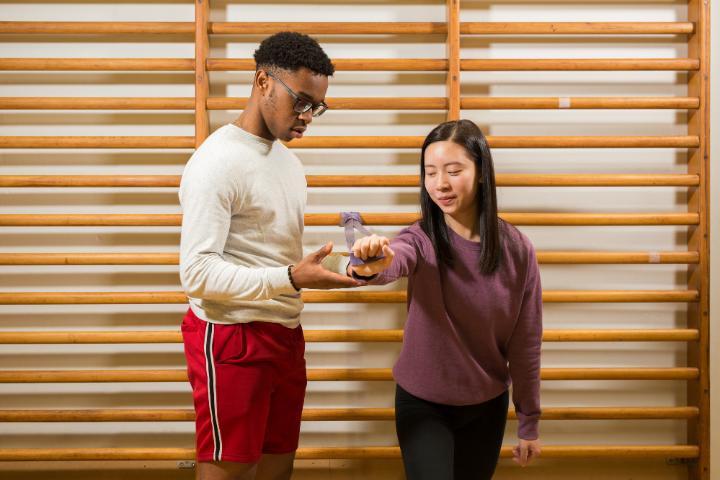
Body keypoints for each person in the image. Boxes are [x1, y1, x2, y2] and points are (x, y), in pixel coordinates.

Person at [178, 32, 361, 480]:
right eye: (301, 101)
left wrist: (350, 266)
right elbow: (197, 274)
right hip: (230, 336)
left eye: (317, 107)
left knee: (279, 463)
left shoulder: (289, 164)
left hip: (284, 331)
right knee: (230, 469)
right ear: (263, 82)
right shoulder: (215, 162)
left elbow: (278, 258)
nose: (307, 117)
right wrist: (291, 279)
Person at [348, 119, 543, 479]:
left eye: (454, 171)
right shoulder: (418, 239)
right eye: (431, 172)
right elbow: (393, 261)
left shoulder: (517, 249)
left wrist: (529, 420)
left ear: (482, 173)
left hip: (486, 404)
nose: (441, 184)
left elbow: (525, 342)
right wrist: (370, 260)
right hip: (423, 405)